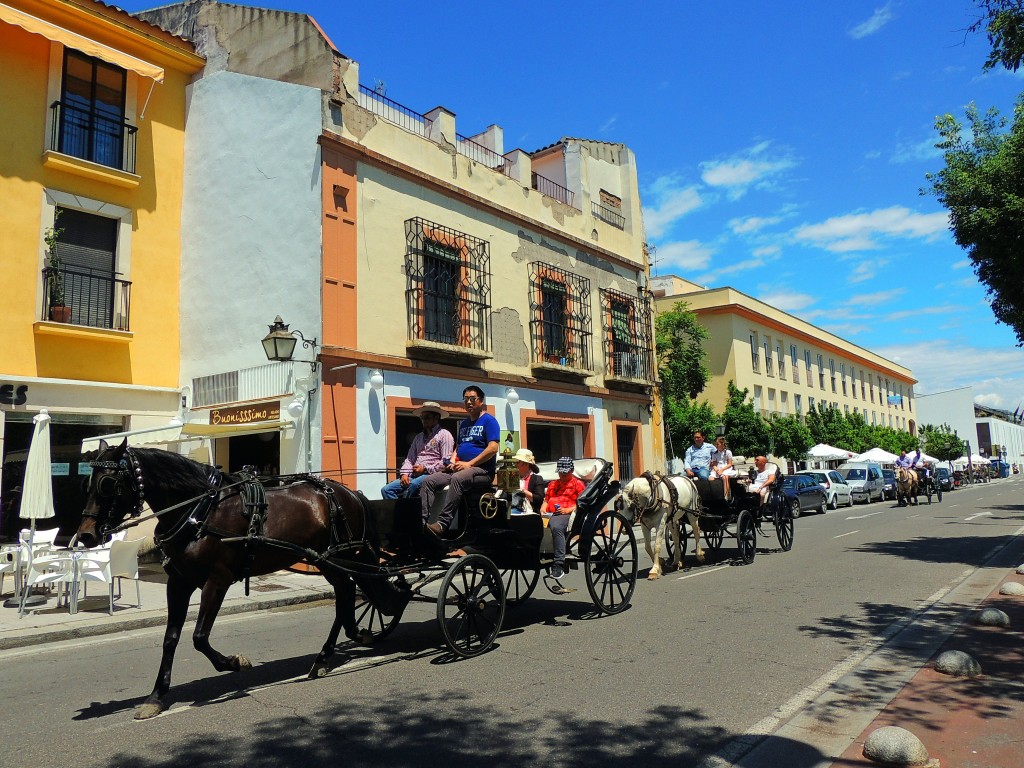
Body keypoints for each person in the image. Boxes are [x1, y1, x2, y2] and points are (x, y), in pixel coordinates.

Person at [420, 385, 500, 535]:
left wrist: (469, 464)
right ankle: (422, 523)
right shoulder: (464, 423)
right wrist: (452, 461)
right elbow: (458, 447)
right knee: (428, 481)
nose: (468, 402)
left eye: (472, 399)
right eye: (466, 399)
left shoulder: (489, 421)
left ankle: (442, 524)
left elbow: (493, 448)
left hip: (482, 471)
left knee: (458, 478)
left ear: (481, 401)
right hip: (460, 468)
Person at [380, 402, 454, 499]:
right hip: (413, 475)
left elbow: (445, 462)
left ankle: (408, 508)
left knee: (413, 485)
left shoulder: (444, 435)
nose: (423, 420)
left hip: (432, 475)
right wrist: (404, 474)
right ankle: (400, 508)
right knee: (386, 489)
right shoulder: (418, 438)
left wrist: (424, 468)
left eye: (427, 417)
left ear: (436, 418)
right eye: (422, 418)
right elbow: (410, 459)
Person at [540, 456, 585, 580]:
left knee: (556, 526)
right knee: (533, 523)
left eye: (565, 473)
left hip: (566, 514)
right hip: (549, 513)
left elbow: (581, 503)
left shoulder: (577, 484)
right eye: (560, 473)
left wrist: (568, 510)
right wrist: (542, 508)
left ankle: (559, 563)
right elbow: (546, 500)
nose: (562, 476)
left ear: (572, 471)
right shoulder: (553, 484)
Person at [510, 448, 546, 514]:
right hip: (511, 507)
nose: (515, 465)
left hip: (528, 511)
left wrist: (522, 491)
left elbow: (539, 500)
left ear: (526, 464)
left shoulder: (537, 479)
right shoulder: (512, 477)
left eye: (517, 462)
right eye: (514, 462)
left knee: (509, 514)